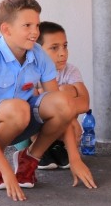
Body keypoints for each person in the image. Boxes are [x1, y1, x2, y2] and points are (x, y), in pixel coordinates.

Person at [0, 0, 95, 201]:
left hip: (21, 120)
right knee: (18, 109)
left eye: (37, 25)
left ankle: (29, 158)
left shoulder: (39, 55)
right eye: (27, 26)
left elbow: (60, 107)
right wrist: (6, 171)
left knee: (64, 102)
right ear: (6, 29)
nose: (35, 32)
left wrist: (75, 158)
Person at [35, 21, 90, 170]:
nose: (62, 53)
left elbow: (85, 103)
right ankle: (38, 149)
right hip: (34, 130)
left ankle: (57, 147)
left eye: (65, 46)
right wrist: (69, 116)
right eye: (54, 48)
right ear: (38, 51)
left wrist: (68, 115)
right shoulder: (32, 71)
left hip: (59, 124)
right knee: (45, 99)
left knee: (65, 91)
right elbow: (33, 106)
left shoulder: (70, 71)